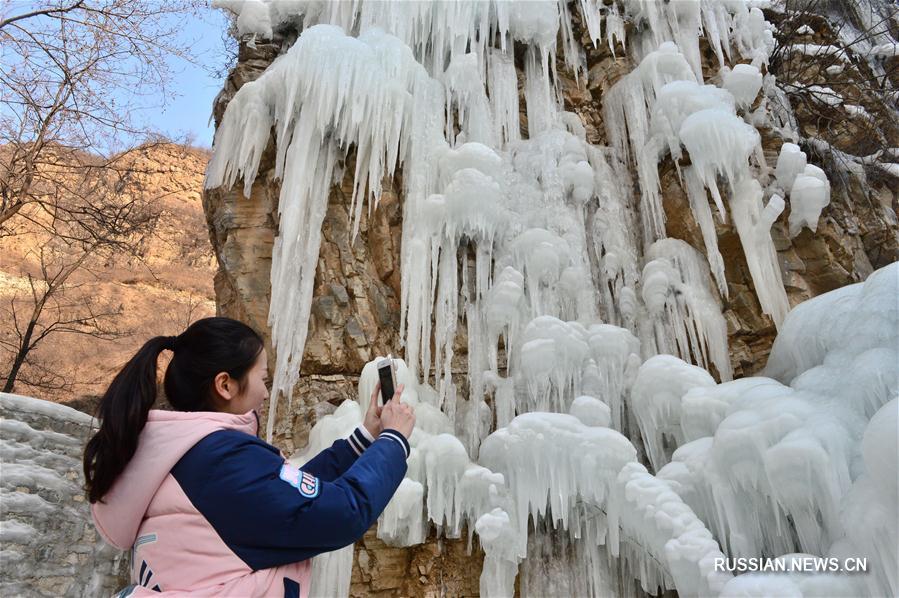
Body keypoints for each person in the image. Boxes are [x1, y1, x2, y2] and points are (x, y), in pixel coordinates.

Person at [82, 317, 415, 598]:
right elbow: (343, 513)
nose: (266, 392)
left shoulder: (182, 457)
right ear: (225, 385)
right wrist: (393, 440)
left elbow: (283, 498)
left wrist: (365, 438)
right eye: (263, 379)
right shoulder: (221, 463)